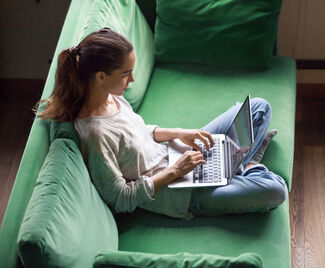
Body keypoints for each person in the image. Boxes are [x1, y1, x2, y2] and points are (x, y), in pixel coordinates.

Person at [35, 27, 288, 219]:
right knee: (276, 190)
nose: (132, 79)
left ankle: (233, 164)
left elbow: (138, 133)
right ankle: (246, 164)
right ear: (101, 76)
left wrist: (182, 133)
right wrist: (177, 171)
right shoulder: (94, 135)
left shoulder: (112, 97)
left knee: (259, 108)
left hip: (178, 154)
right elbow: (120, 198)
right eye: (126, 74)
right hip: (179, 192)